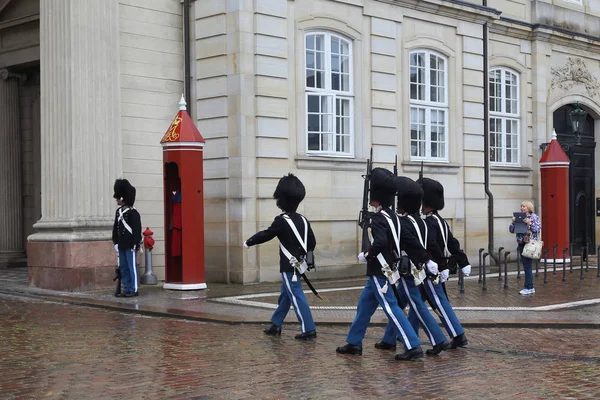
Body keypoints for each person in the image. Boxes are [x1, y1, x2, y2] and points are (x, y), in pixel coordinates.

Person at [336, 168, 437, 361]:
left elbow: (380, 242)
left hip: (379, 270)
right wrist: (426, 259)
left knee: (391, 308)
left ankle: (413, 345)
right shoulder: (395, 219)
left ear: (376, 197)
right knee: (364, 306)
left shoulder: (378, 219)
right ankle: (354, 342)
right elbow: (410, 241)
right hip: (387, 270)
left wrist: (367, 254)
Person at [376, 176, 451, 355]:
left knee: (416, 305)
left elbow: (412, 244)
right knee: (399, 303)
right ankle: (389, 339)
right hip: (415, 268)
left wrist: (432, 261)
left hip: (409, 270)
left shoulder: (404, 223)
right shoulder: (419, 222)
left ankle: (438, 339)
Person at [244, 173, 317, 340]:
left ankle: (309, 328)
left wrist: (250, 241)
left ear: (281, 200)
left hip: (289, 266)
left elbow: (267, 234)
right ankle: (276, 324)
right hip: (300, 264)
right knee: (286, 295)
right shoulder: (303, 220)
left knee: (296, 296)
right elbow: (312, 242)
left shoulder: (281, 220)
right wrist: (304, 257)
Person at [417, 177, 470, 349]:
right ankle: (395, 335)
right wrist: (463, 260)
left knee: (439, 303)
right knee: (415, 302)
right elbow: (452, 242)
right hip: (435, 267)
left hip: (431, 269)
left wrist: (442, 265)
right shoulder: (440, 221)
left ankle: (458, 335)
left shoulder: (429, 223)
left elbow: (434, 246)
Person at [112, 179, 142, 297]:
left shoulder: (133, 213)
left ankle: (133, 289)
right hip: (122, 244)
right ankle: (127, 287)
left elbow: (136, 230)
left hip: (130, 244)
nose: (117, 199)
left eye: (118, 197)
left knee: (131, 267)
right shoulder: (118, 212)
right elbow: (116, 228)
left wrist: (135, 243)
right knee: (123, 267)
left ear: (123, 198)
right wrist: (115, 242)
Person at [509, 201, 541, 295]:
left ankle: (529, 287)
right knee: (526, 266)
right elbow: (511, 230)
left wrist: (529, 223)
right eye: (521, 206)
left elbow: (537, 229)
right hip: (521, 243)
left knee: (528, 266)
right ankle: (529, 287)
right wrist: (513, 223)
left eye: (524, 206)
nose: (522, 208)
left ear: (528, 208)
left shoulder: (534, 217)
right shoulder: (519, 218)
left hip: (529, 244)